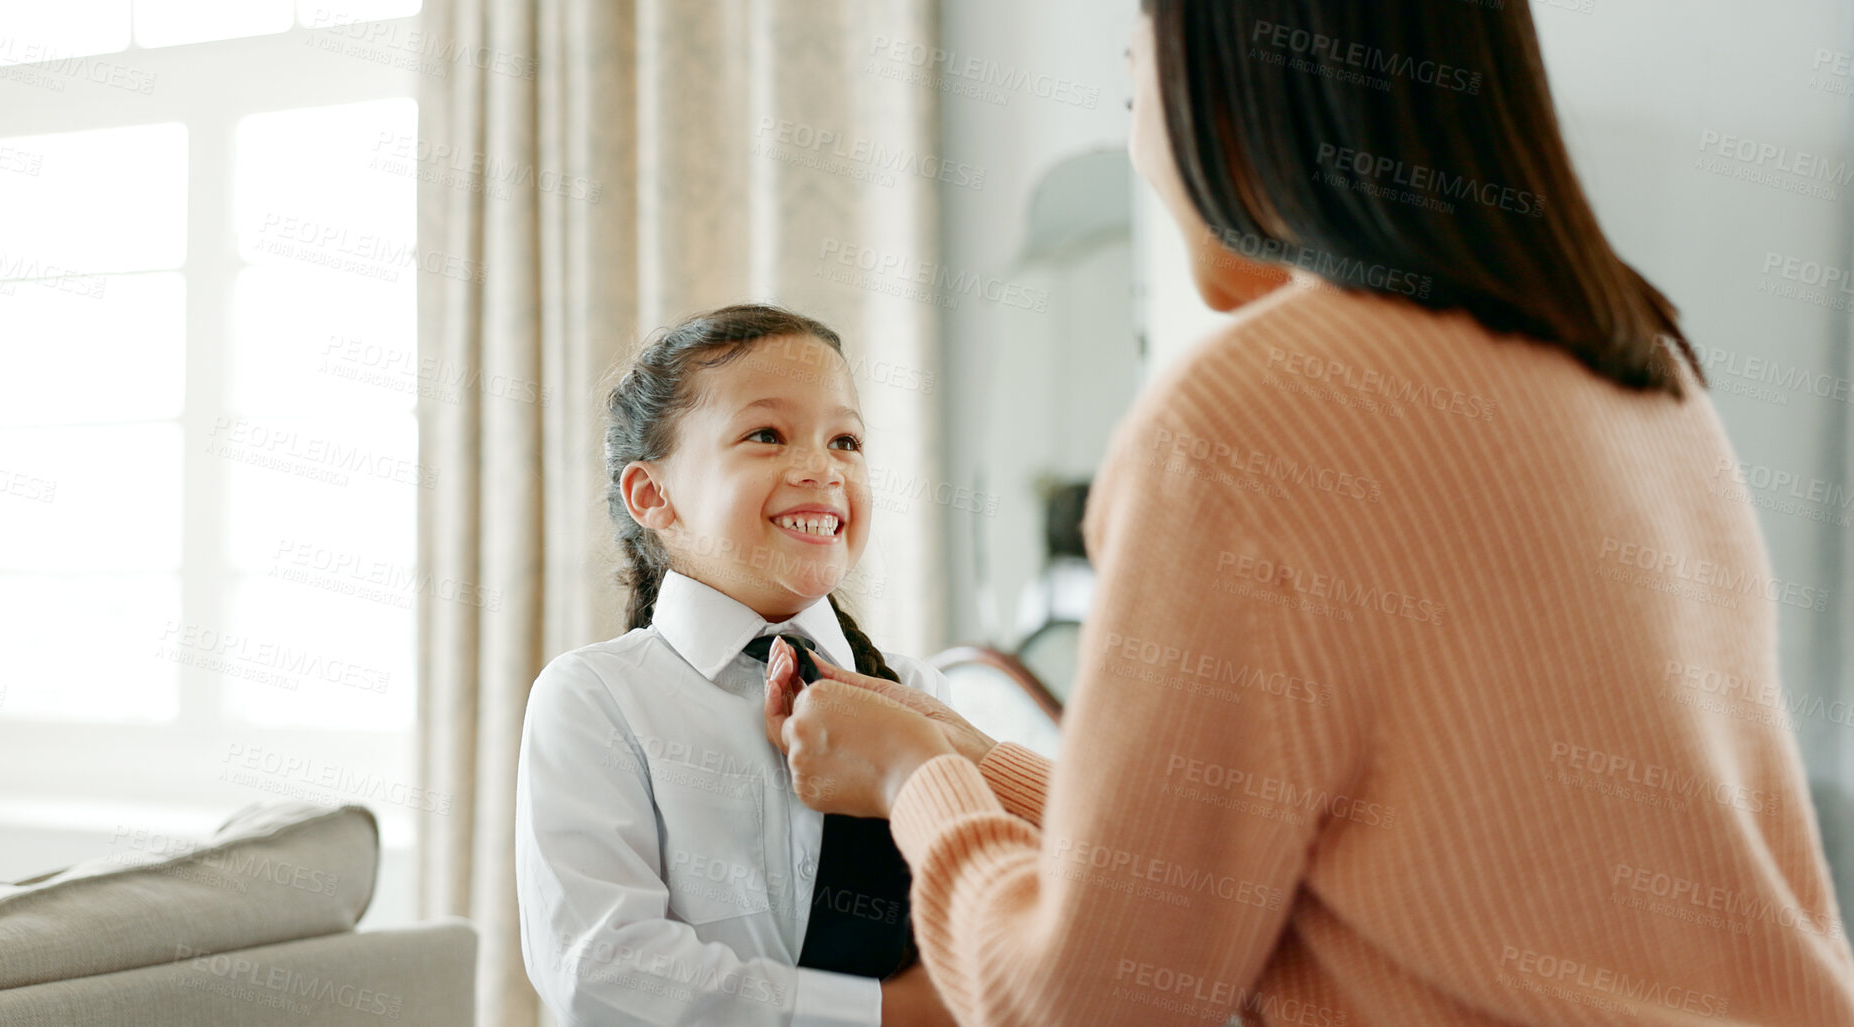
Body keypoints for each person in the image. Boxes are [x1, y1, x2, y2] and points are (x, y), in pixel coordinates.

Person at [760, 3, 1854, 1025]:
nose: (1142, 140)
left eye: (1137, 84)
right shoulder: (1642, 367)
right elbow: (1335, 850)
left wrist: (915, 782)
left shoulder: (1241, 420)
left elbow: (1084, 997)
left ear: (1235, 94)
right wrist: (975, 755)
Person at [516, 304, 957, 1026]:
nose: (821, 467)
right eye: (766, 434)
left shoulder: (915, 693)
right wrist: (883, 1013)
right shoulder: (595, 698)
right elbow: (601, 966)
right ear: (652, 494)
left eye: (845, 439)